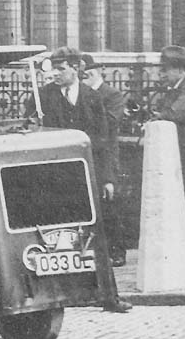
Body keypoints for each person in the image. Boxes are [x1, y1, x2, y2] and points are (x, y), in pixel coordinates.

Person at [30, 46, 131, 312]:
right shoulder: (41, 98)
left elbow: (105, 141)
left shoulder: (92, 98)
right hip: (54, 178)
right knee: (52, 235)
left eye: (62, 69)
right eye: (53, 69)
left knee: (96, 235)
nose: (56, 74)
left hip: (89, 175)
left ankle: (109, 297)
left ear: (76, 69)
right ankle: (55, 297)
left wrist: (108, 178)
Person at [81, 54, 128, 267]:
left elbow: (108, 125)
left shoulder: (113, 95)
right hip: (86, 154)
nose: (86, 76)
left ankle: (118, 251)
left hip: (106, 155)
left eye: (89, 72)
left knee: (108, 204)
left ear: (97, 71)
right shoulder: (82, 94)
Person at [153, 44, 185, 200]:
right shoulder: (174, 88)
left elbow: (175, 113)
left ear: (180, 70)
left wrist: (158, 116)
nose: (162, 74)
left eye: (165, 70)